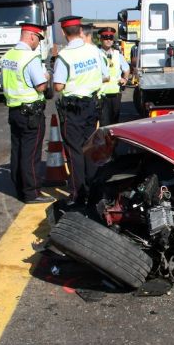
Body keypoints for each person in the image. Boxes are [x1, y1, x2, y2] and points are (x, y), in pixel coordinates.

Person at [52, 15, 109, 204]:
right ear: (80, 31)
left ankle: (79, 193)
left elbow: (58, 86)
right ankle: (93, 189)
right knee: (90, 147)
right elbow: (105, 76)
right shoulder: (94, 51)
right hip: (92, 106)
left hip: (73, 109)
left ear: (63, 32)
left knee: (74, 151)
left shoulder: (64, 56)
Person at [0, 23, 54, 204]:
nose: (38, 43)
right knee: (31, 154)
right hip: (31, 112)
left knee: (17, 151)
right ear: (31, 36)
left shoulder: (7, 56)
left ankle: (19, 187)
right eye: (38, 39)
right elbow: (40, 86)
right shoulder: (30, 58)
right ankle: (32, 192)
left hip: (14, 110)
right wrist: (46, 77)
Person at [98, 27, 130, 126]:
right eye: (105, 38)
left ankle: (113, 142)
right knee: (104, 123)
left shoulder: (117, 54)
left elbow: (126, 69)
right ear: (100, 39)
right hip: (101, 94)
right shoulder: (96, 54)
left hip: (116, 94)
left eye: (110, 38)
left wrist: (125, 79)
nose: (108, 40)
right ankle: (105, 141)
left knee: (114, 122)